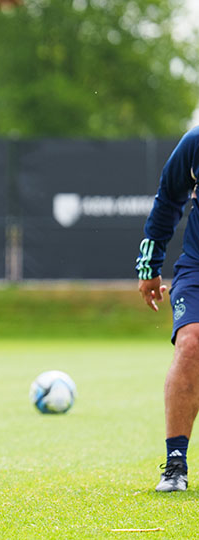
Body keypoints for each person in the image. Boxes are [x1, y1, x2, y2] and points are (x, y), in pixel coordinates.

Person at [135, 125, 199, 492]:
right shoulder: (196, 142)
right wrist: (150, 266)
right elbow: (168, 199)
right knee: (191, 343)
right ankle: (176, 463)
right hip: (197, 266)